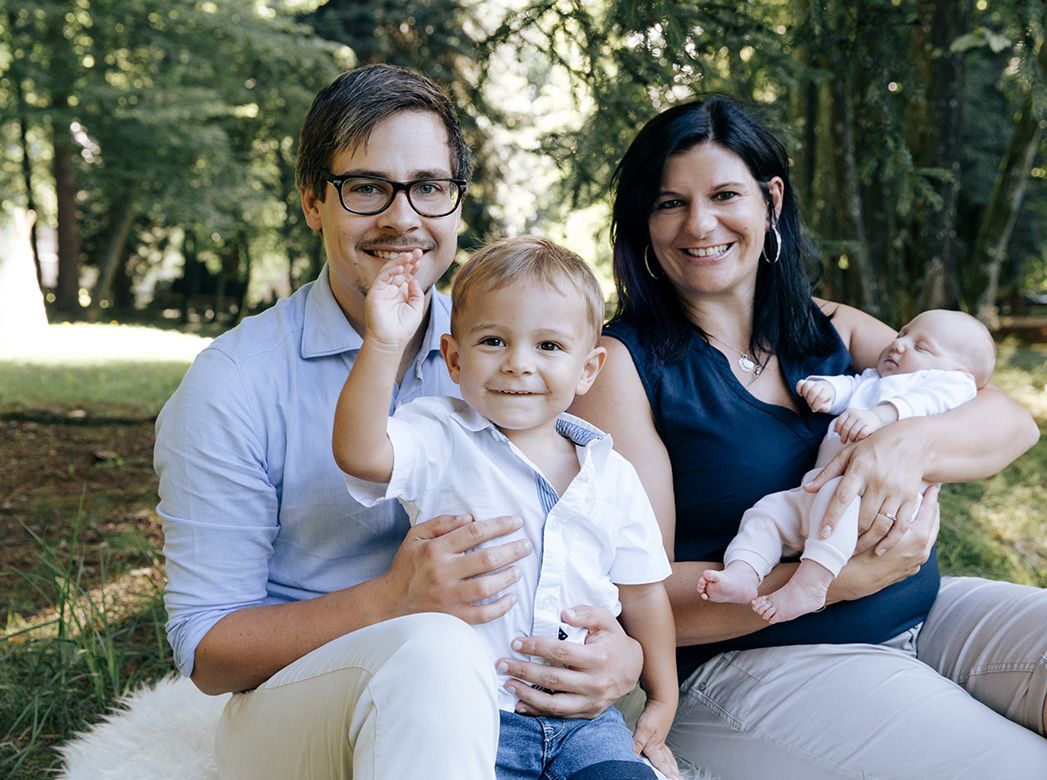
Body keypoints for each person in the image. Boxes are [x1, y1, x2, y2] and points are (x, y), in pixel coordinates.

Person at [571, 94, 1047, 778]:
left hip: (923, 607)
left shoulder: (830, 327)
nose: (699, 222)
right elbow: (635, 596)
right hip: (751, 662)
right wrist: (837, 580)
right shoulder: (621, 366)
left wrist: (902, 446)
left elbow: (1007, 419)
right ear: (644, 223)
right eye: (669, 202)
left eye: (724, 194)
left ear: (771, 200)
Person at [154, 64, 645, 779]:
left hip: (504, 704)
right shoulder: (233, 385)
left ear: (456, 204)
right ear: (313, 201)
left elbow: (601, 549)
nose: (403, 218)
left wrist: (623, 658)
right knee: (437, 653)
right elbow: (207, 650)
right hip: (296, 709)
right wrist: (393, 600)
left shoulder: (511, 355)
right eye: (366, 188)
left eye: (429, 187)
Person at [332, 236, 680, 779]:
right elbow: (359, 452)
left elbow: (645, 594)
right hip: (471, 712)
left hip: (584, 720)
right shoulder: (442, 436)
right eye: (493, 341)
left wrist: (663, 696)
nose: (519, 364)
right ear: (453, 357)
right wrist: (383, 342)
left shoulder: (611, 475)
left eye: (549, 347)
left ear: (589, 369)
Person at [698, 309, 994, 623]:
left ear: (959, 372)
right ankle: (744, 572)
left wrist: (880, 416)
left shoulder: (949, 386)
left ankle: (811, 584)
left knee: (835, 501)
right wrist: (824, 390)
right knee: (766, 513)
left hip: (868, 502)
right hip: (814, 491)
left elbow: (925, 403)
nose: (900, 344)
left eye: (921, 347)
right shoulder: (874, 381)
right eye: (902, 333)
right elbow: (848, 387)